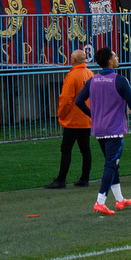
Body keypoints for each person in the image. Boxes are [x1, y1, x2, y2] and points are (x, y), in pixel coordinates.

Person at [71, 46, 131, 213]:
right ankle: (100, 200)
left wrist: (93, 115)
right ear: (110, 61)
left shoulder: (93, 80)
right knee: (111, 164)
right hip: (114, 129)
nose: (116, 58)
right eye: (114, 55)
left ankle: (120, 200)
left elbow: (79, 101)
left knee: (112, 164)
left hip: (99, 129)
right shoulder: (120, 80)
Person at [44, 48, 93, 188]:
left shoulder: (72, 76)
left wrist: (62, 114)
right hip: (86, 118)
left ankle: (61, 179)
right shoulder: (90, 74)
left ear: (72, 60)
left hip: (73, 119)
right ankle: (85, 178)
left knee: (66, 149)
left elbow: (66, 99)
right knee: (85, 149)